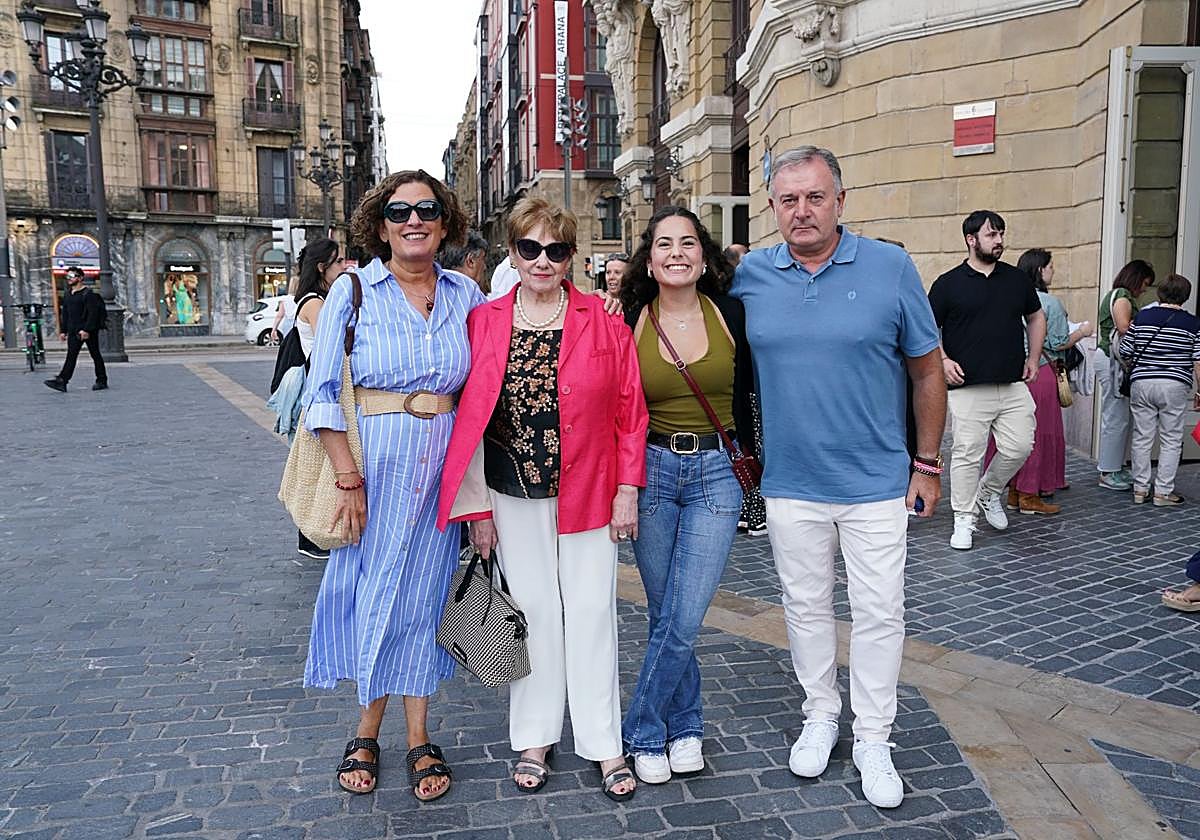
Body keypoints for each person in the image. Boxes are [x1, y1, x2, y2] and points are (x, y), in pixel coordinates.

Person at [732, 146, 945, 809]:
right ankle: (821, 713)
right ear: (772, 207)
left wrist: (928, 463)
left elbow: (927, 370)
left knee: (881, 613)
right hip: (791, 483)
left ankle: (874, 735)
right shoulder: (752, 277)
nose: (802, 210)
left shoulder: (889, 266)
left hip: (878, 483)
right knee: (805, 608)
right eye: (788, 199)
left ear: (841, 201)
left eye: (815, 197)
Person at [437, 196, 647, 803]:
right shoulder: (485, 321)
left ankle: (604, 740)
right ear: (513, 252)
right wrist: (475, 509)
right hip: (509, 491)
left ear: (571, 257)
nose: (542, 260)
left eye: (555, 250)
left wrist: (627, 490)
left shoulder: (604, 319)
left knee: (590, 614)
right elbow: (467, 417)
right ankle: (534, 736)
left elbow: (630, 412)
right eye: (530, 248)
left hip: (589, 491)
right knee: (530, 614)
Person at [301, 169, 483, 802]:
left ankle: (419, 733)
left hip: (445, 472)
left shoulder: (465, 293)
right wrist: (348, 478)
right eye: (400, 211)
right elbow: (322, 394)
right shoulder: (353, 292)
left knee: (427, 599)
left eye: (426, 209)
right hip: (375, 468)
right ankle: (366, 728)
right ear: (380, 225)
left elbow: (486, 385)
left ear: (444, 222)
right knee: (376, 592)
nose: (414, 220)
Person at [617, 207, 755, 784]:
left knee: (685, 613)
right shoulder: (628, 319)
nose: (677, 253)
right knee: (664, 611)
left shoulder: (732, 314)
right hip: (651, 469)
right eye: (665, 244)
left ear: (705, 257)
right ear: (649, 260)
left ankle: (643, 728)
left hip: (717, 473)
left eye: (689, 243)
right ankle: (687, 725)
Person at [929, 210, 1046, 550]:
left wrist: (1034, 358)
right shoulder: (948, 284)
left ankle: (989, 491)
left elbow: (1035, 316)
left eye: (1001, 234)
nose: (999, 241)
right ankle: (963, 519)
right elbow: (926, 327)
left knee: (1020, 445)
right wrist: (944, 359)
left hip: (1011, 383)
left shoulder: (1016, 280)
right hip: (967, 386)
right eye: (992, 235)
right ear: (971, 239)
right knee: (967, 453)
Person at [988, 249, 1094, 515]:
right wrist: (1082, 332)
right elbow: (1058, 342)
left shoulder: (1007, 297)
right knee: (1037, 434)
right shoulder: (1049, 303)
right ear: (1039, 271)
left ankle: (1013, 490)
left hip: (1012, 373)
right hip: (1041, 372)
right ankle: (1029, 494)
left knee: (1012, 434)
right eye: (1050, 266)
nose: (1053, 270)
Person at [268, 236, 346, 560]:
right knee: (315, 465)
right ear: (321, 267)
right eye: (338, 262)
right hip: (317, 392)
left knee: (320, 463)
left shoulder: (319, 298)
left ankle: (314, 533)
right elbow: (333, 342)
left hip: (318, 390)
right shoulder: (315, 302)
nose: (344, 267)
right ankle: (309, 536)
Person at [1119, 273, 1200, 507]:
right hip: (1174, 385)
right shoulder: (1193, 323)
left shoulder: (1143, 317)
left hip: (1142, 382)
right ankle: (1163, 492)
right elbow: (1197, 361)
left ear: (1160, 293)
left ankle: (1140, 489)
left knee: (1142, 436)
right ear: (1185, 297)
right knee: (1171, 438)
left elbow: (1126, 350)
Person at [1096, 259, 1156, 490]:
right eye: (1144, 283)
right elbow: (1123, 326)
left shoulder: (1119, 294)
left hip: (1112, 361)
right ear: (1136, 278)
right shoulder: (1121, 294)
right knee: (1116, 417)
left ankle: (1115, 467)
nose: (1144, 289)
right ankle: (1109, 471)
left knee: (1119, 416)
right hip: (1112, 362)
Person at [44, 267, 107, 393]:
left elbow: (92, 314)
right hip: (73, 330)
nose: (69, 279)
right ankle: (62, 381)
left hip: (87, 331)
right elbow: (65, 314)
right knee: (71, 356)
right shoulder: (68, 294)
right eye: (67, 276)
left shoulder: (88, 294)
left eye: (72, 276)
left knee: (95, 354)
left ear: (80, 278)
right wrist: (63, 331)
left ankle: (101, 380)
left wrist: (86, 330)